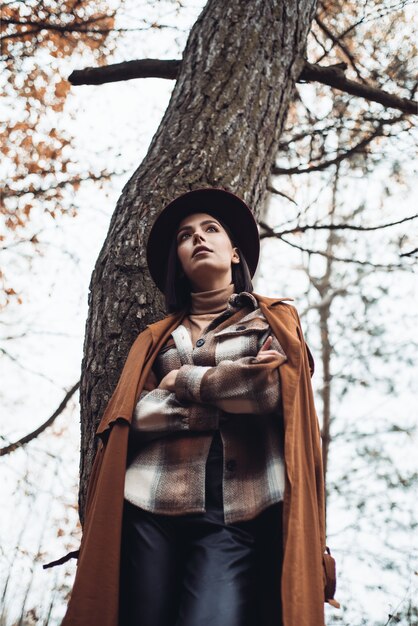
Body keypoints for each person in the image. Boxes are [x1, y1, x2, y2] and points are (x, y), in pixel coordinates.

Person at [44, 187, 337, 626]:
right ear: (178, 261)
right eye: (185, 236)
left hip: (238, 508)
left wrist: (181, 380)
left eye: (211, 229)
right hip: (148, 502)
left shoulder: (272, 320)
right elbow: (133, 416)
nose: (198, 238)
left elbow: (271, 391)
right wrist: (225, 396)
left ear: (235, 254)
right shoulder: (156, 337)